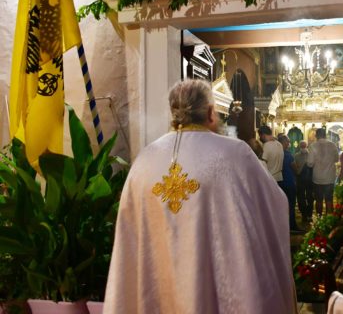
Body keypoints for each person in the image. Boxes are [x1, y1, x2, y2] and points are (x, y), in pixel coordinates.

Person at [104, 80, 296, 314]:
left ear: (173, 111)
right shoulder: (235, 154)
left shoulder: (145, 160)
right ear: (210, 112)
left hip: (160, 284)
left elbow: (130, 234)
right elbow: (275, 202)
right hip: (215, 286)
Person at [307, 128, 339, 216]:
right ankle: (329, 220)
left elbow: (309, 163)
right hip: (329, 177)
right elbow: (336, 159)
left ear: (316, 136)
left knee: (318, 200)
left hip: (318, 178)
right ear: (325, 135)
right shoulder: (332, 145)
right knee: (329, 200)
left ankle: (319, 219)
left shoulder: (313, 146)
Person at [278, 133, 303, 233]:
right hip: (289, 182)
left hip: (279, 182)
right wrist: (298, 170)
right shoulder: (287, 154)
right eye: (288, 142)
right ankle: (292, 225)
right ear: (283, 142)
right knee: (291, 205)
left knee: (281, 205)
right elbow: (295, 169)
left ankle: (282, 226)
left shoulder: (277, 153)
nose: (289, 143)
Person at [294, 140, 313, 224]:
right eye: (301, 146)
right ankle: (304, 214)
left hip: (309, 179)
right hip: (300, 178)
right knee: (301, 197)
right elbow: (295, 166)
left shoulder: (310, 155)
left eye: (304, 146)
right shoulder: (296, 155)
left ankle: (309, 214)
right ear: (299, 147)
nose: (303, 148)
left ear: (307, 146)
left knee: (310, 197)